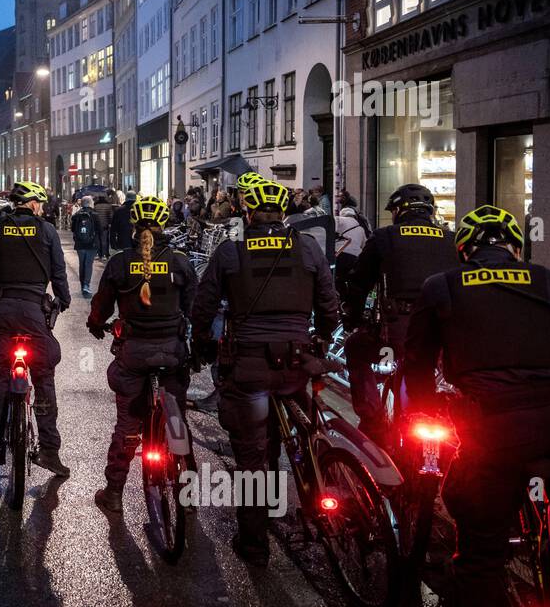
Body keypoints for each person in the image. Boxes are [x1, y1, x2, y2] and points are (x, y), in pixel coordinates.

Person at [405, 205, 550, 607]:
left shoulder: (442, 286)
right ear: (515, 249)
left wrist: (428, 410)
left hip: (495, 431)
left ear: (465, 251)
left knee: (481, 553)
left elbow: (417, 364)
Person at [191, 177, 341, 566]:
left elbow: (203, 309)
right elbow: (329, 304)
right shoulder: (307, 247)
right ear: (285, 213)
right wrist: (321, 340)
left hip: (250, 368)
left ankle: (255, 544)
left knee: (253, 457)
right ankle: (322, 490)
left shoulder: (230, 253)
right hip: (296, 364)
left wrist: (202, 348)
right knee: (306, 430)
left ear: (247, 213)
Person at [87, 196, 198, 513]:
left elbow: (102, 305)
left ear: (134, 227)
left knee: (127, 426)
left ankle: (113, 494)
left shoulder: (121, 263)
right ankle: (186, 495)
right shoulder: (179, 261)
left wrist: (96, 324)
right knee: (178, 418)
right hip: (173, 354)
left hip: (133, 355)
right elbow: (196, 306)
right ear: (164, 225)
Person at [0, 180, 72, 477]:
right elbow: (59, 271)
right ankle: (49, 451)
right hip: (35, 313)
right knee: (44, 379)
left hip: (3, 313)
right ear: (35, 204)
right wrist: (63, 299)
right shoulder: (47, 230)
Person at [341, 183, 456, 441]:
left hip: (398, 333)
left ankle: (373, 420)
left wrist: (353, 318)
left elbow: (359, 283)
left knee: (355, 348)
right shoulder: (451, 239)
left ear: (398, 211)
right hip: (444, 335)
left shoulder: (385, 237)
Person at [71, 195, 101, 297]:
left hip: (80, 244)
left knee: (82, 264)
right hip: (92, 244)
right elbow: (100, 229)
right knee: (88, 264)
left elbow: (72, 229)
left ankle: (82, 285)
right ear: (90, 203)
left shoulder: (77, 215)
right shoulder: (95, 215)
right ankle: (86, 285)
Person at [93, 191, 115, 260]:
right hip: (105, 225)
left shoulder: (95, 206)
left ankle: (98, 254)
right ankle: (104, 255)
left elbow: (94, 216)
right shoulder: (108, 206)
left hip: (97, 225)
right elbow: (111, 216)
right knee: (104, 240)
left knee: (97, 240)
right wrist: (110, 223)